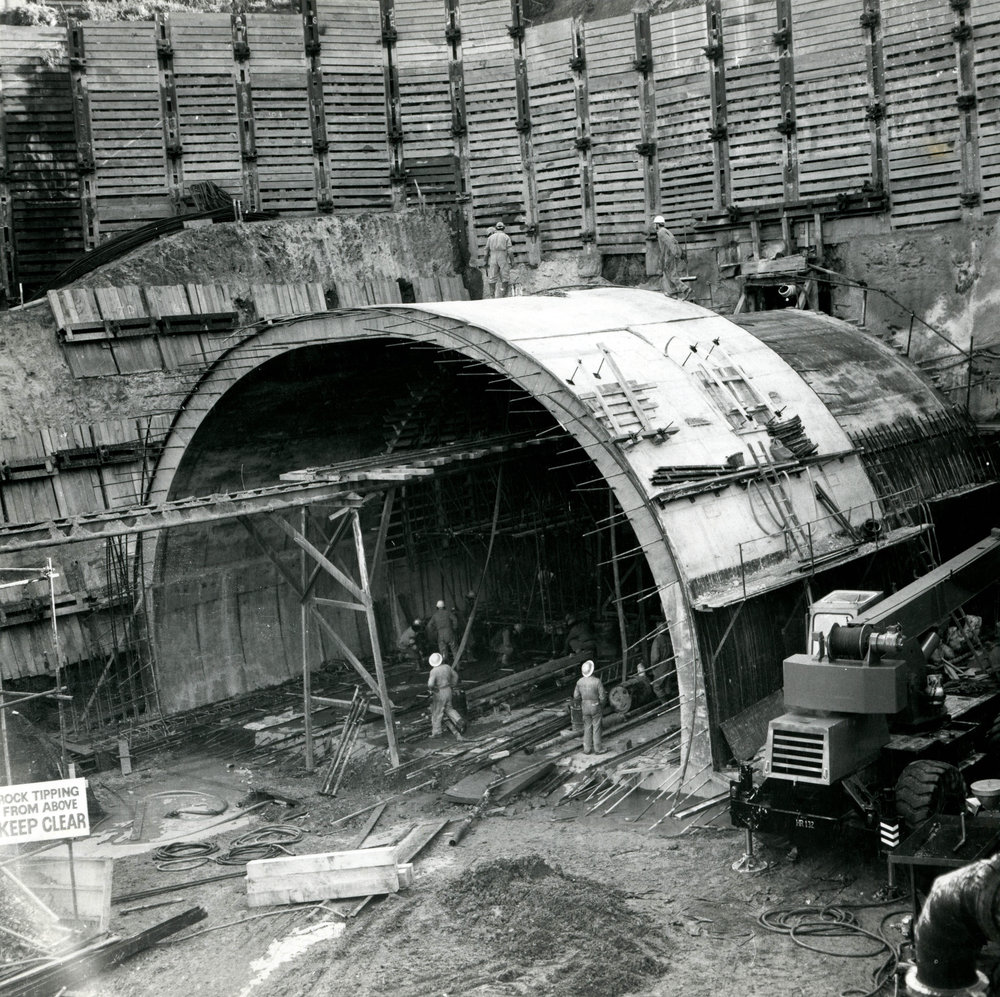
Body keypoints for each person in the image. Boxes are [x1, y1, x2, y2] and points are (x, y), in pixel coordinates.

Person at [573, 659, 608, 754]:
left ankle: (587, 749)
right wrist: (601, 705)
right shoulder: (597, 681)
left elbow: (576, 696)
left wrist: (583, 700)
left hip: (585, 706)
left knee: (587, 727)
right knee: (596, 727)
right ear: (592, 670)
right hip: (595, 706)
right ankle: (598, 749)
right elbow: (603, 697)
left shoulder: (579, 682)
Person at [427, 652, 464, 737]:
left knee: (437, 712)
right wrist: (452, 685)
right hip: (448, 689)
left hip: (439, 692)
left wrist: (432, 689)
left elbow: (430, 684)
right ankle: (459, 720)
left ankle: (437, 732)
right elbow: (455, 676)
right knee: (449, 708)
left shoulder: (434, 671)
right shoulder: (447, 667)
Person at [653, 215, 688, 299]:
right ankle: (673, 292)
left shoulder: (661, 232)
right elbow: (673, 242)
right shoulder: (666, 231)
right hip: (670, 254)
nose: (654, 226)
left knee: (671, 274)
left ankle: (685, 289)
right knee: (668, 273)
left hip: (669, 255)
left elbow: (670, 243)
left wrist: (674, 253)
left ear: (657, 224)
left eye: (654, 224)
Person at [484, 221, 514, 299]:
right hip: (503, 256)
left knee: (492, 276)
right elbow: (510, 251)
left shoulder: (490, 238)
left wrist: (485, 262)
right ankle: (504, 295)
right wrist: (512, 261)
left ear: (496, 228)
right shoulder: (506, 237)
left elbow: (486, 251)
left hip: (493, 256)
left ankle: (492, 296)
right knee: (505, 276)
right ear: (503, 228)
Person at [428, 599, 459, 664]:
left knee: (443, 652)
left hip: (440, 635)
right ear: (444, 606)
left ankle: (445, 666)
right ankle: (457, 666)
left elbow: (429, 625)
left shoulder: (435, 615)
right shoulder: (448, 612)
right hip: (449, 633)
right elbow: (455, 620)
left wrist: (434, 632)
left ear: (437, 607)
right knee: (454, 650)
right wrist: (454, 628)